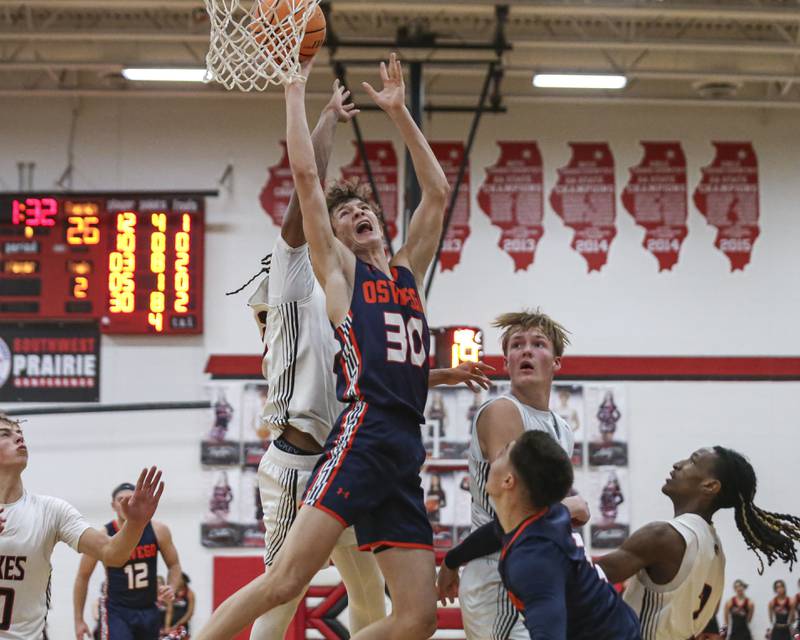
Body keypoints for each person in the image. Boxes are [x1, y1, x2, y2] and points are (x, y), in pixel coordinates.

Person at [198, 52, 464, 640]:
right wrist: (296, 93)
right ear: (334, 237)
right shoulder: (338, 277)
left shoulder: (406, 273)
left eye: (365, 207)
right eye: (346, 213)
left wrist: (398, 113)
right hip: (359, 437)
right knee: (285, 584)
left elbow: (438, 194)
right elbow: (306, 182)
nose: (359, 213)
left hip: (403, 448)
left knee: (416, 618)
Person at [438, 309, 589, 640]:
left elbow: (553, 500)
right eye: (517, 345)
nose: (526, 350)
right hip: (499, 573)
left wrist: (570, 505)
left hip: (536, 570)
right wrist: (572, 507)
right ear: (506, 362)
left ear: (556, 362)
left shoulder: (561, 428)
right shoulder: (503, 411)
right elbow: (519, 508)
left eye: (538, 344)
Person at [440, 430, 641, 639]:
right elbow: (492, 533)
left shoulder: (534, 561)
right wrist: (452, 561)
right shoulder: (541, 515)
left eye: (501, 455)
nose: (494, 459)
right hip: (620, 624)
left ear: (508, 481)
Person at [594, 447, 800, 639]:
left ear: (710, 486)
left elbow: (581, 577)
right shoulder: (716, 551)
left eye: (692, 461)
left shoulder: (663, 536)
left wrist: (563, 516)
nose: (678, 464)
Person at [0, 415, 165, 639]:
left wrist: (135, 524)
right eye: (5, 434)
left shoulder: (51, 510)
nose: (19, 437)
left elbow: (112, 554)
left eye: (19, 433)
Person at [74, 480, 183, 640]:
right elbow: (83, 576)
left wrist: (172, 587)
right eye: (121, 500)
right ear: (113, 505)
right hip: (116, 610)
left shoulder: (158, 530)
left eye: (131, 499)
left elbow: (174, 565)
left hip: (148, 608)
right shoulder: (103, 534)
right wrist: (78, 620)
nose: (127, 504)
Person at [164, 573, 194, 639]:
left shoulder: (189, 593)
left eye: (179, 579)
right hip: (172, 624)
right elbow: (169, 610)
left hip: (183, 625)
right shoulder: (173, 592)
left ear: (184, 580)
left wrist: (178, 624)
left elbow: (190, 613)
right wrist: (167, 626)